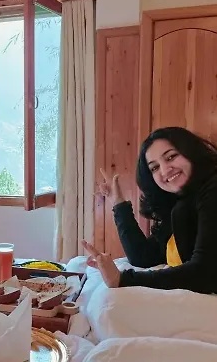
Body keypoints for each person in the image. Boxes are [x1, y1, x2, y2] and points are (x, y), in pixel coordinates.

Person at [84, 126, 217, 294]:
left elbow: (204, 273)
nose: (165, 170)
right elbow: (143, 257)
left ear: (191, 152)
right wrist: (118, 203)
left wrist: (123, 279)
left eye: (171, 157)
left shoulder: (213, 189)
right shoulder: (181, 204)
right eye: (154, 167)